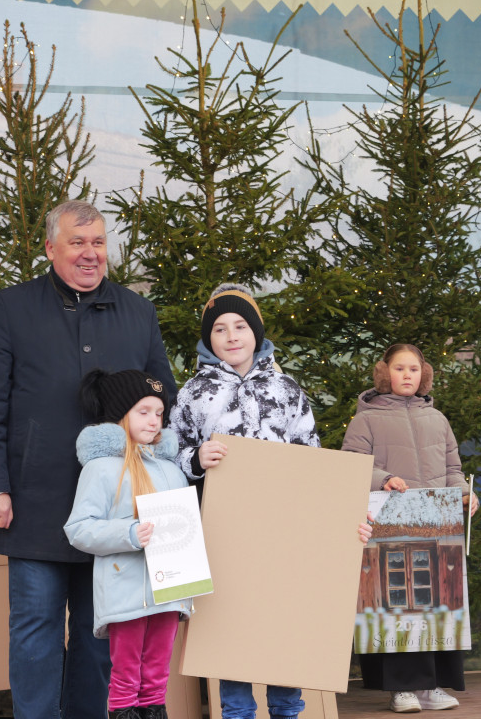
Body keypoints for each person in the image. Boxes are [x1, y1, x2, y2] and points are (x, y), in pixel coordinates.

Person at [0, 200, 177, 719]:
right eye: (77, 243)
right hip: (34, 500)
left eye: (98, 242)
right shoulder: (11, 308)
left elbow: (162, 404)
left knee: (99, 629)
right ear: (50, 248)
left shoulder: (137, 311)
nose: (90, 254)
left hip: (118, 509)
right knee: (35, 627)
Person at [169, 282, 369, 719]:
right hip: (225, 535)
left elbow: (313, 458)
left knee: (284, 627)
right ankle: (237, 712)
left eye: (240, 325)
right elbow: (172, 456)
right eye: (219, 329)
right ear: (208, 339)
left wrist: (336, 518)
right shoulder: (192, 394)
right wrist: (197, 457)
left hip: (285, 535)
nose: (232, 336)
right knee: (233, 629)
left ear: (257, 332)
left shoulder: (287, 390)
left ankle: (286, 710)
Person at [341, 343, 480, 714]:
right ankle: (401, 689)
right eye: (399, 368)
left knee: (435, 604)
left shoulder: (438, 420)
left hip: (437, 525)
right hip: (388, 528)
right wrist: (383, 478)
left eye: (414, 369)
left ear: (424, 375)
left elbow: (453, 468)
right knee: (396, 603)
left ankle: (432, 686)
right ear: (384, 373)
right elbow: (351, 466)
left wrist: (465, 493)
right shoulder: (365, 419)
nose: (407, 375)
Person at [64, 369, 193, 719]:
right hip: (125, 590)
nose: (154, 421)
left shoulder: (171, 468)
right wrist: (130, 534)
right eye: (143, 411)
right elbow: (79, 529)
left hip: (169, 588)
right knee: (125, 675)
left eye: (159, 413)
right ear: (122, 413)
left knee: (156, 673)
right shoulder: (102, 469)